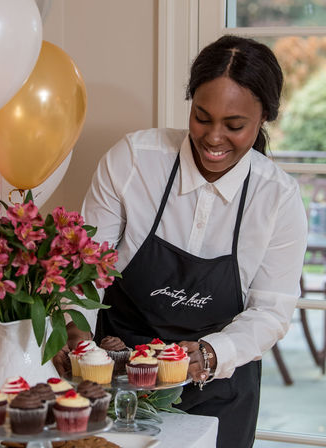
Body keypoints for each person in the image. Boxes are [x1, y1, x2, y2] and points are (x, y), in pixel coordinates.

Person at [54, 35, 308, 448]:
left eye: (234, 125)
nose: (212, 138)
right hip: (118, 380)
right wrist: (73, 326)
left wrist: (208, 354)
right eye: (202, 117)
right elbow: (86, 267)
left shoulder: (277, 198)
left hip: (218, 385)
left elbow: (271, 312)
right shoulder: (135, 160)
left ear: (264, 117)